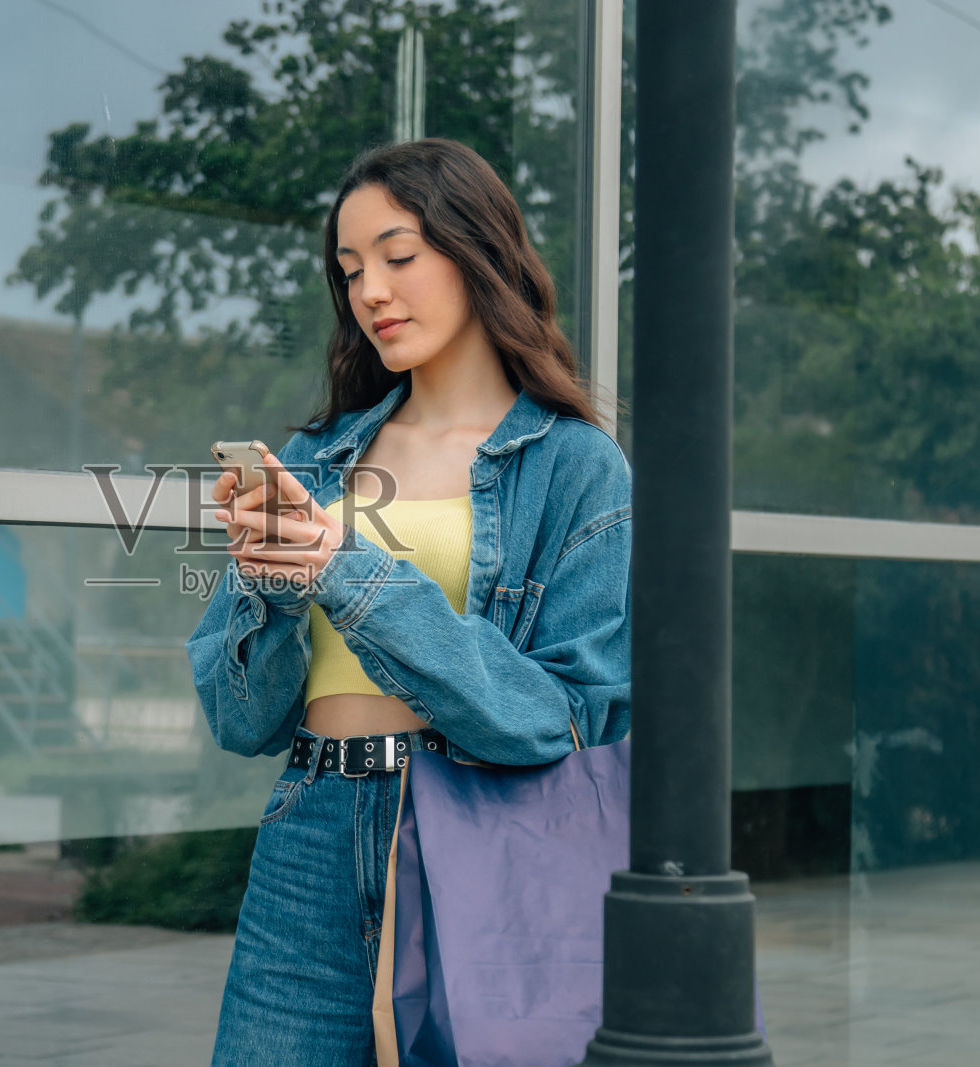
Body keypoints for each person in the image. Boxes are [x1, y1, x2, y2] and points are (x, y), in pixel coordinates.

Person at [188, 139, 632, 1066]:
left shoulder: (575, 466)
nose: (370, 293)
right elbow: (241, 718)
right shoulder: (315, 461)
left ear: (476, 252)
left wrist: (343, 567)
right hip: (308, 834)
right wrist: (268, 589)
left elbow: (559, 717)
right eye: (350, 272)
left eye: (398, 256)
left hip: (478, 834)